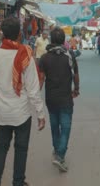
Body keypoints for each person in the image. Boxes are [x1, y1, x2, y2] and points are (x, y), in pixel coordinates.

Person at [0, 18, 46, 186]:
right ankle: (18, 182)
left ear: (2, 34)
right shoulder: (26, 54)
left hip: (1, 112)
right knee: (21, 149)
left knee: (1, 147)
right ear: (20, 34)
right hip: (21, 113)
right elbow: (33, 89)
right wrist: (40, 113)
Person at [38, 27, 80, 173]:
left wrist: (35, 96)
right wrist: (77, 89)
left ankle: (57, 152)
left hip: (50, 99)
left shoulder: (44, 58)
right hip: (65, 99)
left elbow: (41, 79)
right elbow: (75, 74)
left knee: (55, 127)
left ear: (50, 40)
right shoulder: (69, 55)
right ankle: (60, 154)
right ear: (63, 41)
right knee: (66, 127)